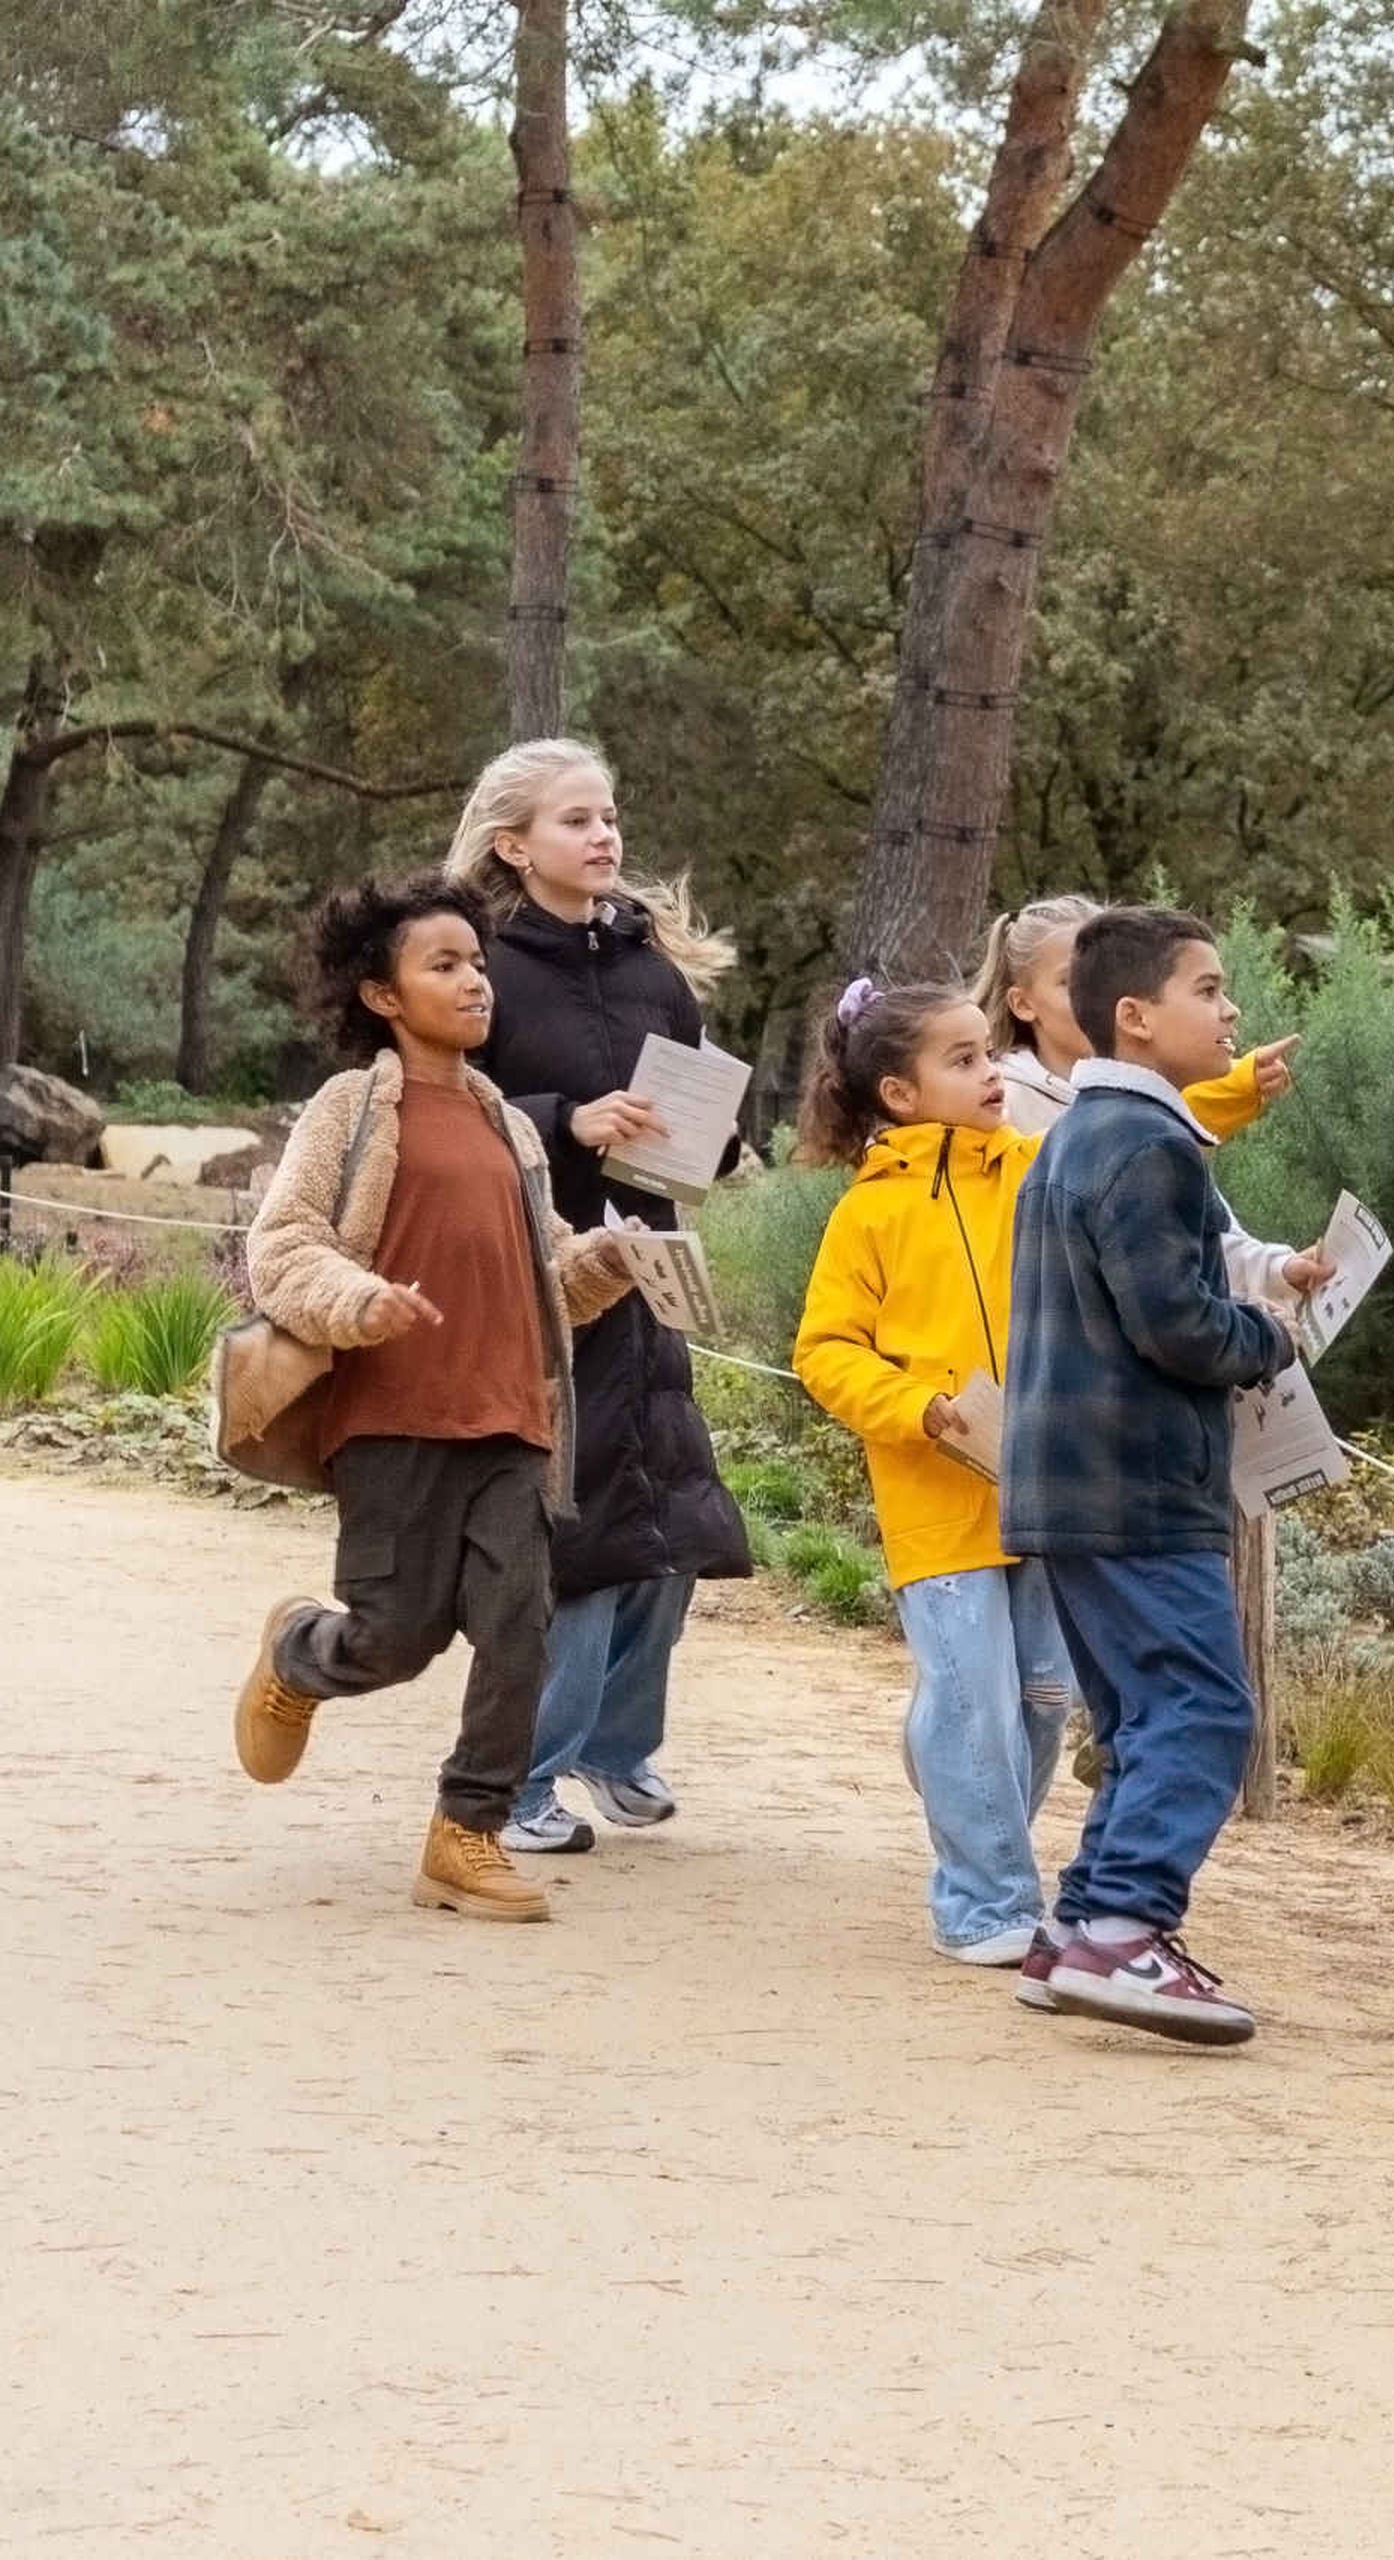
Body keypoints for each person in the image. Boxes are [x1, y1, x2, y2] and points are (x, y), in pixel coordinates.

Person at [225, 872, 638, 1922]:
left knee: (518, 1627)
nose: (474, 982)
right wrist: (360, 1303)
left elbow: (545, 1267)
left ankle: (466, 1833)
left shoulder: (508, 1123)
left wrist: (610, 1262)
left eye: (478, 963)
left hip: (511, 1418)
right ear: (381, 995)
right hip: (391, 1421)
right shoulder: (351, 1108)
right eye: (442, 965)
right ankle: (299, 1654)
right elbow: (282, 1247)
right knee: (395, 1637)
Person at [1000, 907, 1331, 2046]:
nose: (1231, 1011)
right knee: (1205, 1709)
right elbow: (1179, 1327)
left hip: (1068, 1484)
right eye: (1209, 988)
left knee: (1145, 1712)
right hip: (1137, 1486)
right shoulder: (1149, 1148)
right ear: (1135, 1019)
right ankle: (1128, 1932)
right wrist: (1272, 1334)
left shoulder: (1077, 1139)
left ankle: (1077, 1927)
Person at [447, 739, 754, 1856]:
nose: (605, 835)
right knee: (571, 1545)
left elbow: (704, 1142)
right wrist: (566, 1120)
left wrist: (713, 1141)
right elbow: (442, 1115)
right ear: (512, 843)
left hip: (649, 1278)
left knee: (670, 1535)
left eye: (609, 815)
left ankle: (616, 1757)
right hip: (534, 1282)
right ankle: (522, 1781)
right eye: (577, 819)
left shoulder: (653, 975)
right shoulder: (478, 964)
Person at [786, 979, 1075, 1966]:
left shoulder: (1040, 1172)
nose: (991, 1071)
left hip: (1048, 1485)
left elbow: (1154, 1133)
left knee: (1042, 1696)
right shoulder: (868, 1214)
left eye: (989, 1053)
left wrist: (1233, 1088)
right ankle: (985, 1904)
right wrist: (917, 1409)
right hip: (932, 1493)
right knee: (978, 1700)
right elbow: (824, 1350)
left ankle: (946, 1763)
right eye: (963, 1059)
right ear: (901, 1093)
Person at [968, 893, 1294, 1143]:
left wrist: (1246, 1081)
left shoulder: (1136, 1086)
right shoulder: (996, 1101)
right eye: (1073, 983)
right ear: (1023, 1004)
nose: (1095, 995)